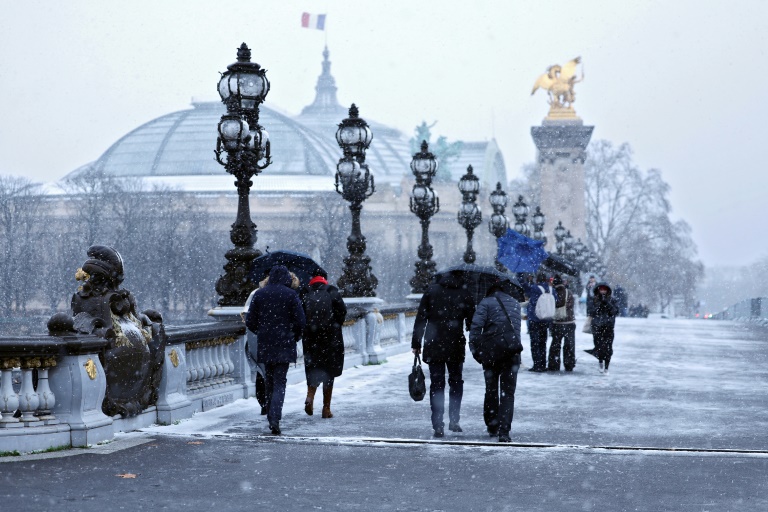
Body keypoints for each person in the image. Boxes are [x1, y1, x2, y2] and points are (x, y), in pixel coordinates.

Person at [412, 270, 475, 438]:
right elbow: (471, 321)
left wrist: (416, 343)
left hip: (434, 343)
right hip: (455, 343)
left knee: (437, 384)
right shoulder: (464, 293)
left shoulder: (431, 291)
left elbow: (421, 319)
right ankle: (454, 420)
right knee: (456, 381)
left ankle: (437, 424)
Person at [245, 265, 306, 435]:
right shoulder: (291, 295)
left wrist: (262, 331)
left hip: (266, 343)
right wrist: (294, 335)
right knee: (280, 381)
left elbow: (250, 321)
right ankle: (275, 417)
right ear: (287, 278)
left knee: (269, 380)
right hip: (285, 343)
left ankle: (270, 413)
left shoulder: (259, 294)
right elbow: (301, 321)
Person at [469, 281, 522, 443]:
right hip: (512, 351)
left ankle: (492, 425)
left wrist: (476, 352)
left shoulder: (485, 303)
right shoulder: (515, 303)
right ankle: (504, 432)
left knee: (491, 389)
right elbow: (516, 329)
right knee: (508, 393)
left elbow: (475, 329)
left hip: (492, 353)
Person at [300, 268, 347, 419]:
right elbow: (342, 312)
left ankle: (310, 396)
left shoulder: (305, 292)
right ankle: (326, 409)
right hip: (330, 339)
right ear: (324, 278)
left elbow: (299, 315)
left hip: (310, 339)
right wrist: (334, 325)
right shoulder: (332, 291)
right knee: (328, 371)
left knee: (312, 368)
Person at [522, 272, 557, 372]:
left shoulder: (535, 288)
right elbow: (556, 300)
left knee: (535, 343)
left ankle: (537, 365)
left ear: (537, 280)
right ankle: (542, 364)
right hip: (546, 319)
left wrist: (524, 277)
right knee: (543, 342)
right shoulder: (552, 290)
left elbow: (525, 289)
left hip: (535, 318)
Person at [586, 282, 619, 374]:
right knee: (598, 346)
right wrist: (599, 306)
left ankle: (607, 367)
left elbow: (615, 311)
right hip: (597, 327)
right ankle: (600, 361)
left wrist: (607, 304)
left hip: (609, 327)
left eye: (604, 289)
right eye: (601, 289)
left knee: (608, 347)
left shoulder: (613, 300)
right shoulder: (594, 300)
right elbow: (590, 312)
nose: (603, 291)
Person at [549, 275, 576, 372]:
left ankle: (554, 364)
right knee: (569, 344)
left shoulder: (552, 292)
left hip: (557, 322)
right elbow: (570, 305)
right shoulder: (569, 292)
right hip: (569, 322)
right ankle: (569, 364)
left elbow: (552, 305)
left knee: (555, 344)